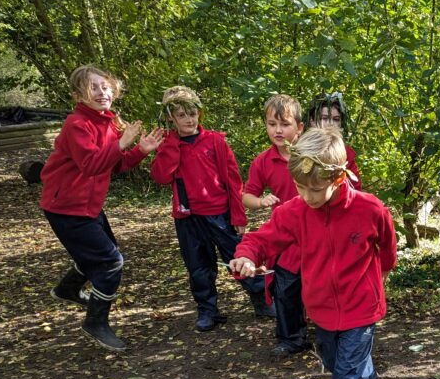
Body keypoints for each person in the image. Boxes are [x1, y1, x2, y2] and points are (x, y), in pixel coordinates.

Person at [230, 128, 397, 379]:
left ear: (339, 177)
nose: (308, 196)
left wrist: (376, 281)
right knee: (342, 368)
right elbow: (262, 239)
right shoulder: (296, 211)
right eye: (301, 188)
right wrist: (245, 256)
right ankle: (367, 375)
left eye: (316, 189)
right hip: (320, 310)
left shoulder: (370, 209)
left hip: (361, 309)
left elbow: (386, 251)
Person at [42, 64, 164, 351]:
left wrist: (140, 150)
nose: (101, 92)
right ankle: (95, 322)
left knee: (103, 254)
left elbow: (116, 164)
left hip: (88, 205)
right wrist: (122, 141)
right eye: (93, 87)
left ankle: (68, 288)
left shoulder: (107, 121)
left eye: (105, 86)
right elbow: (91, 164)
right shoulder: (77, 124)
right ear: (78, 94)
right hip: (67, 207)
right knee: (110, 262)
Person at [150, 86, 274, 332]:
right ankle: (208, 310)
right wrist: (171, 144)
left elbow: (233, 180)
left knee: (238, 257)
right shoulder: (168, 144)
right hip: (188, 217)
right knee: (198, 266)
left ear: (200, 114)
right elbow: (161, 176)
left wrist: (238, 215)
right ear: (171, 118)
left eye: (192, 113)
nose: (189, 119)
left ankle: (262, 300)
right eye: (181, 115)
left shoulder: (215, 141)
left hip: (220, 214)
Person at [243, 94, 309, 357]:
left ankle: (334, 332)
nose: (278, 130)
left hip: (317, 229)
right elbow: (247, 195)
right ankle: (291, 338)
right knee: (285, 284)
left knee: (322, 282)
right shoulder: (263, 160)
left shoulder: (312, 154)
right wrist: (260, 202)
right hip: (285, 235)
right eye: (272, 124)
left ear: (300, 128)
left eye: (285, 124)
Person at [305, 92, 362, 188]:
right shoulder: (302, 149)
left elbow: (355, 189)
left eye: (336, 119)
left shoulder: (346, 153)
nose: (331, 123)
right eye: (325, 118)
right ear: (312, 121)